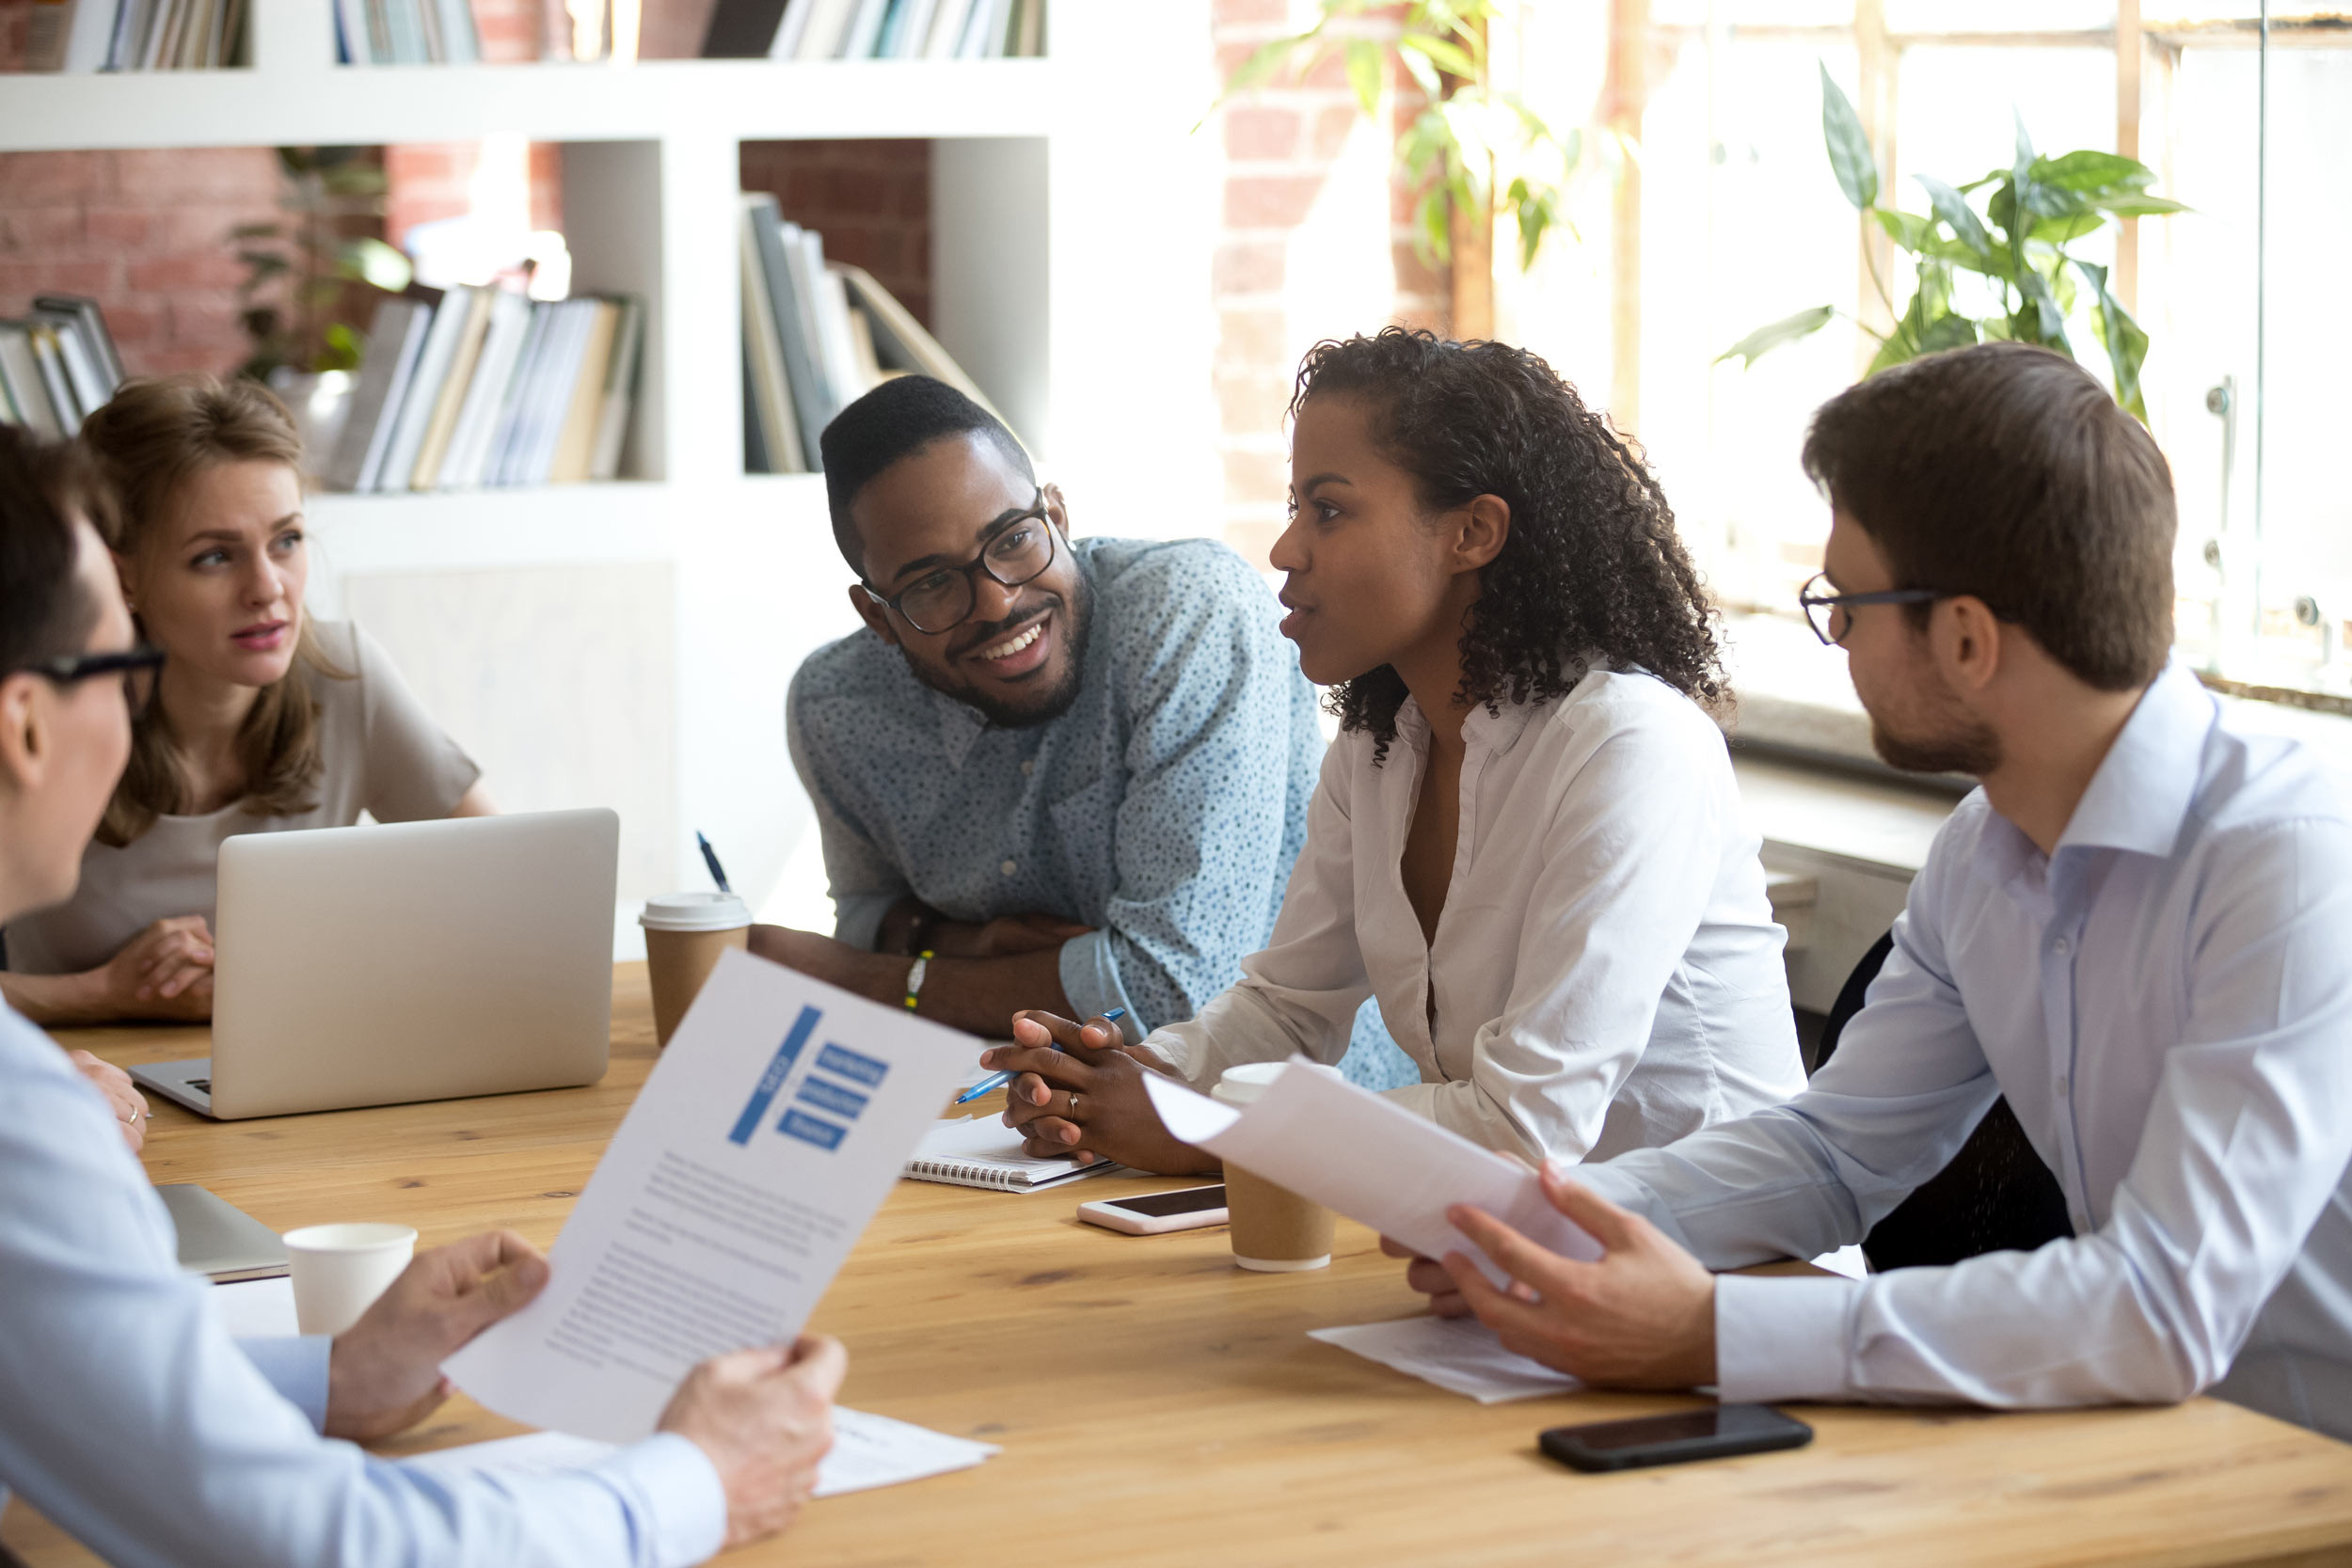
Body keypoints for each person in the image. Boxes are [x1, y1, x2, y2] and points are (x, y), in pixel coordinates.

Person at [1389, 341, 2352, 1441]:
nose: (1835, 637)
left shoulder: (2286, 862)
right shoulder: (1985, 847)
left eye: (1845, 604)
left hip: (2307, 1471)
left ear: (1965, 637)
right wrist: (1542, 1219)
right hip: (2149, 1442)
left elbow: (2162, 1304)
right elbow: (1838, 1152)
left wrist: (1708, 1330)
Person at [0, 420, 845, 1567]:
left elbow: (55, 1369)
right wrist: (694, 1480)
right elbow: (321, 1546)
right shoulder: (24, 1116)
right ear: (28, 723)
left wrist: (327, 1372)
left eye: (287, 540)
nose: (267, 585)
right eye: (117, 663)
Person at [984, 329, 1806, 1173]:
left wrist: (1211, 1129)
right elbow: (1287, 1008)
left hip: (1717, 1248)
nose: (1286, 548)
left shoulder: (1629, 745)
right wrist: (1119, 1081)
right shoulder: (1381, 748)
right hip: (1500, 1236)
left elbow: (1526, 1126)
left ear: (1472, 532)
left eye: (1329, 510)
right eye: (1296, 506)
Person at [754, 373, 1337, 1049]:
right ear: (877, 616)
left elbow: (1174, 996)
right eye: (932, 582)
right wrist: (961, 943)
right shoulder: (837, 705)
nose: (997, 601)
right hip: (991, 1098)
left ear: (1057, 518)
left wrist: (868, 980)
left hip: (1274, 1101)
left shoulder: (1190, 614)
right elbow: (866, 915)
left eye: (1012, 540)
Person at [1, 374, 491, 1026]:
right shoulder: (53, 711)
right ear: (123, 576)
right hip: (83, 1073)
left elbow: (503, 885)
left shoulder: (343, 673)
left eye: (286, 541)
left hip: (300, 1052)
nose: (268, 588)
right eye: (214, 557)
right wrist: (102, 992)